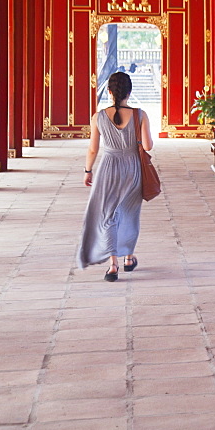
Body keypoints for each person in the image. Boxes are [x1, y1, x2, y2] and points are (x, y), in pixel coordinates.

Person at [77, 71, 152, 281]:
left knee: (108, 216)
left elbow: (93, 149)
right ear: (130, 91)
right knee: (129, 214)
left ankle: (113, 265)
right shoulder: (140, 114)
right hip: (132, 168)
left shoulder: (98, 117)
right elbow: (148, 146)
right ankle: (129, 258)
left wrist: (87, 170)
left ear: (109, 92)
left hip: (108, 169)